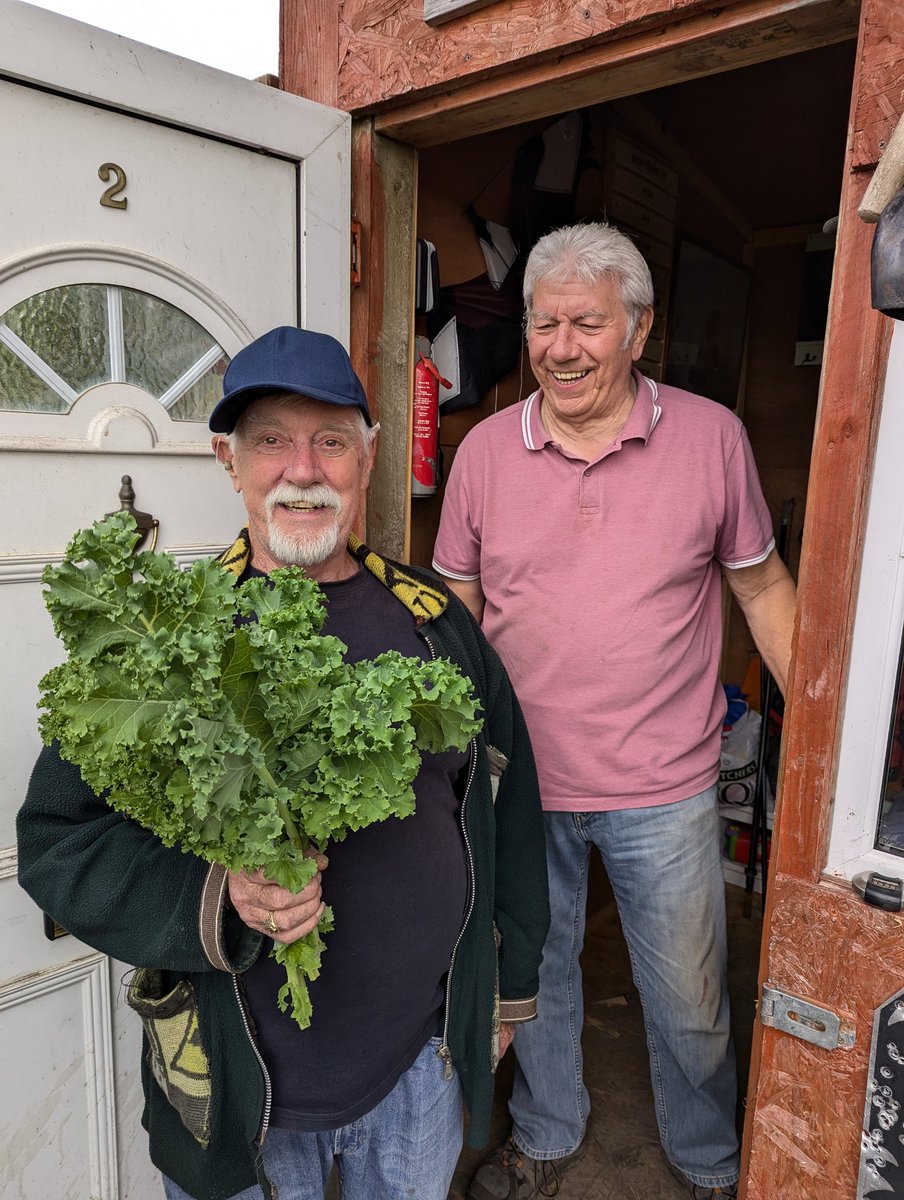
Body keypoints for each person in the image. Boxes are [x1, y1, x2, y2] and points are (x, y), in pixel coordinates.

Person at [17, 325, 551, 1200]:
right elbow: (56, 845)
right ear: (229, 461)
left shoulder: (438, 625)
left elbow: (511, 812)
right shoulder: (168, 638)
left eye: (331, 440)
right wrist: (219, 891)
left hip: (420, 1072)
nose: (302, 470)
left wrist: (507, 990)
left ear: (368, 458)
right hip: (239, 1097)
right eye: (271, 440)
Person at [432, 223, 797, 1200]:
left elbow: (760, 589)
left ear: (638, 330)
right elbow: (456, 611)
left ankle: (709, 1158)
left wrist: (816, 719)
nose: (560, 346)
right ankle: (547, 1138)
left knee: (686, 1001)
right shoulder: (483, 458)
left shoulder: (711, 439)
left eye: (586, 323)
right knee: (537, 980)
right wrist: (447, 756)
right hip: (518, 784)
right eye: (543, 322)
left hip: (663, 783)